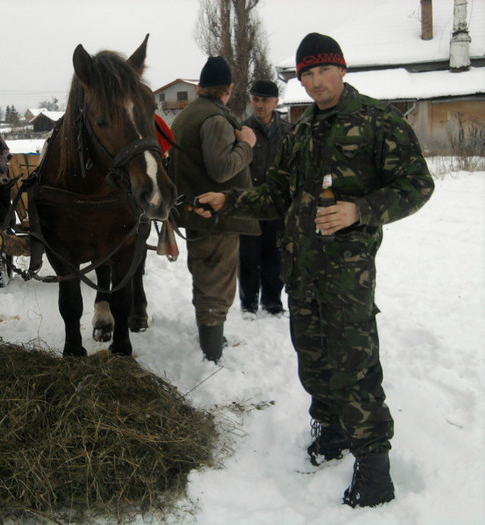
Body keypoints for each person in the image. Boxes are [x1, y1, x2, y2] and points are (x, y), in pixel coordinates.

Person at [194, 33, 434, 507]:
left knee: (356, 368)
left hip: (348, 279)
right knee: (314, 361)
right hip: (299, 272)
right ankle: (331, 434)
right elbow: (276, 195)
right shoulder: (301, 132)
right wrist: (227, 201)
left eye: (323, 71)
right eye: (306, 74)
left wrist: (360, 210)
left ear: (342, 69)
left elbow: (417, 185)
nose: (315, 82)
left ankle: (374, 467)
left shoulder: (376, 121)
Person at [168, 56, 257, 363]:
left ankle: (211, 341)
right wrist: (246, 144)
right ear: (228, 89)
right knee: (217, 285)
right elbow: (222, 170)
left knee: (206, 279)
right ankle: (212, 355)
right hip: (217, 217)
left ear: (201, 87)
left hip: (197, 213)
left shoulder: (187, 115)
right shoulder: (216, 119)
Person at [239, 80, 291, 317]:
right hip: (251, 205)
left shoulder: (289, 132)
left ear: (275, 102)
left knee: (275, 257)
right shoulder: (242, 131)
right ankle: (248, 303)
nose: (260, 105)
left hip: (279, 206)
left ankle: (272, 301)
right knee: (249, 257)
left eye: (265, 100)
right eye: (256, 99)